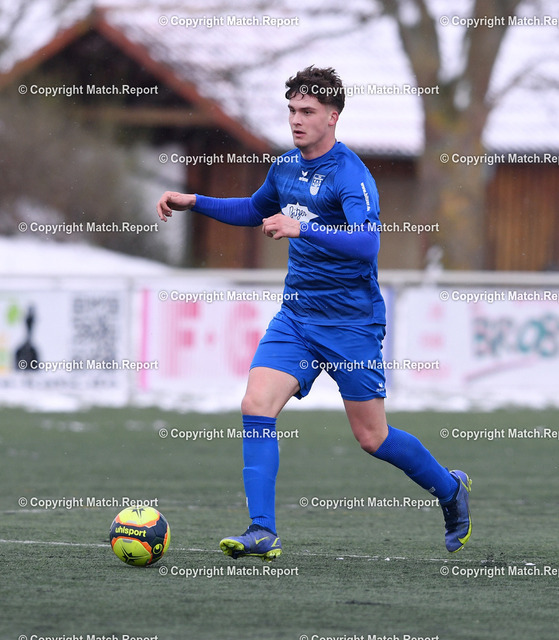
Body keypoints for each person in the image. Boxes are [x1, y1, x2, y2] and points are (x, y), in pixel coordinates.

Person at [156, 65, 471, 560]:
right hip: (297, 318)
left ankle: (450, 490)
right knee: (256, 405)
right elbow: (255, 210)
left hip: (351, 324)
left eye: (307, 111)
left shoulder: (350, 174)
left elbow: (367, 243)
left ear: (332, 117)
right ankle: (262, 530)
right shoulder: (284, 167)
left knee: (372, 437)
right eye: (292, 110)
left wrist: (302, 228)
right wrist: (194, 201)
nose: (296, 120)